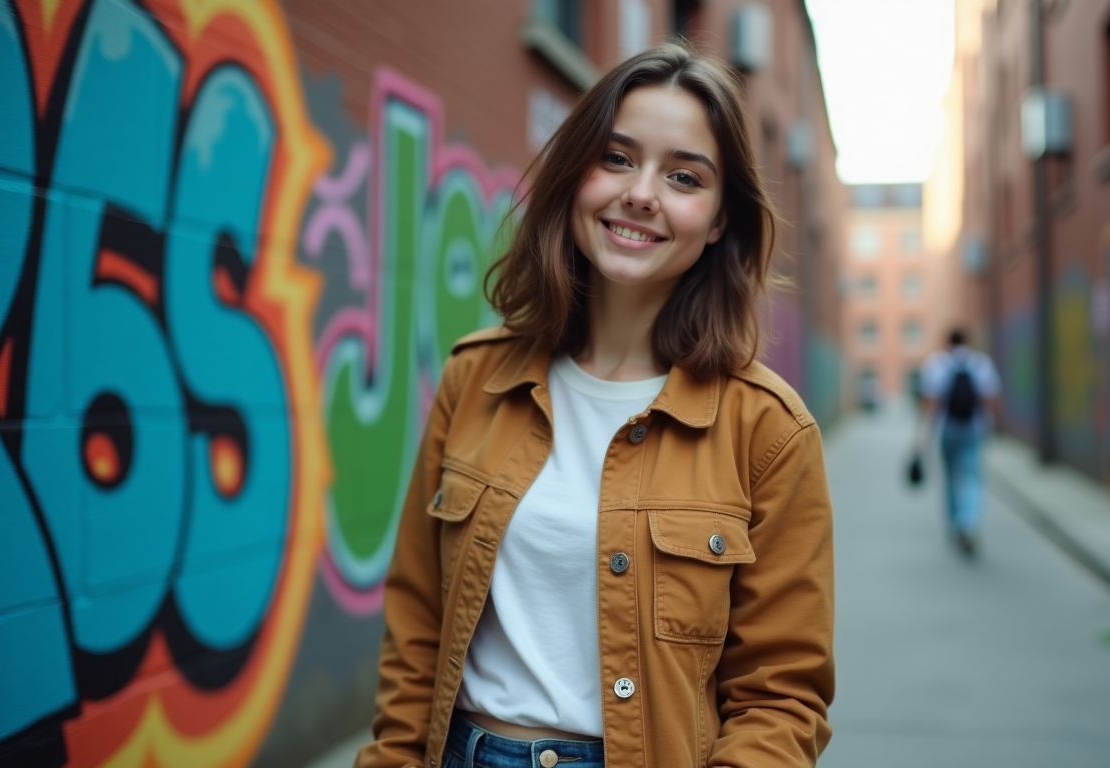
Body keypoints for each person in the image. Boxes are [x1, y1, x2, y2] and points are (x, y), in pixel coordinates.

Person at [355, 42, 835, 768]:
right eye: (616, 158)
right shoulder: (474, 380)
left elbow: (781, 695)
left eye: (683, 176)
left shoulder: (767, 430)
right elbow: (416, 627)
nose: (641, 192)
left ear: (716, 223)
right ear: (574, 175)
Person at [915, 327, 1001, 556]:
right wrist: (991, 427)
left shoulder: (937, 365)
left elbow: (930, 403)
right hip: (974, 429)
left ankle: (955, 525)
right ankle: (968, 523)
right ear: (968, 340)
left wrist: (921, 438)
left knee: (951, 477)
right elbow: (990, 400)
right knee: (973, 477)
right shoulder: (981, 364)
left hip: (947, 430)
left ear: (947, 342)